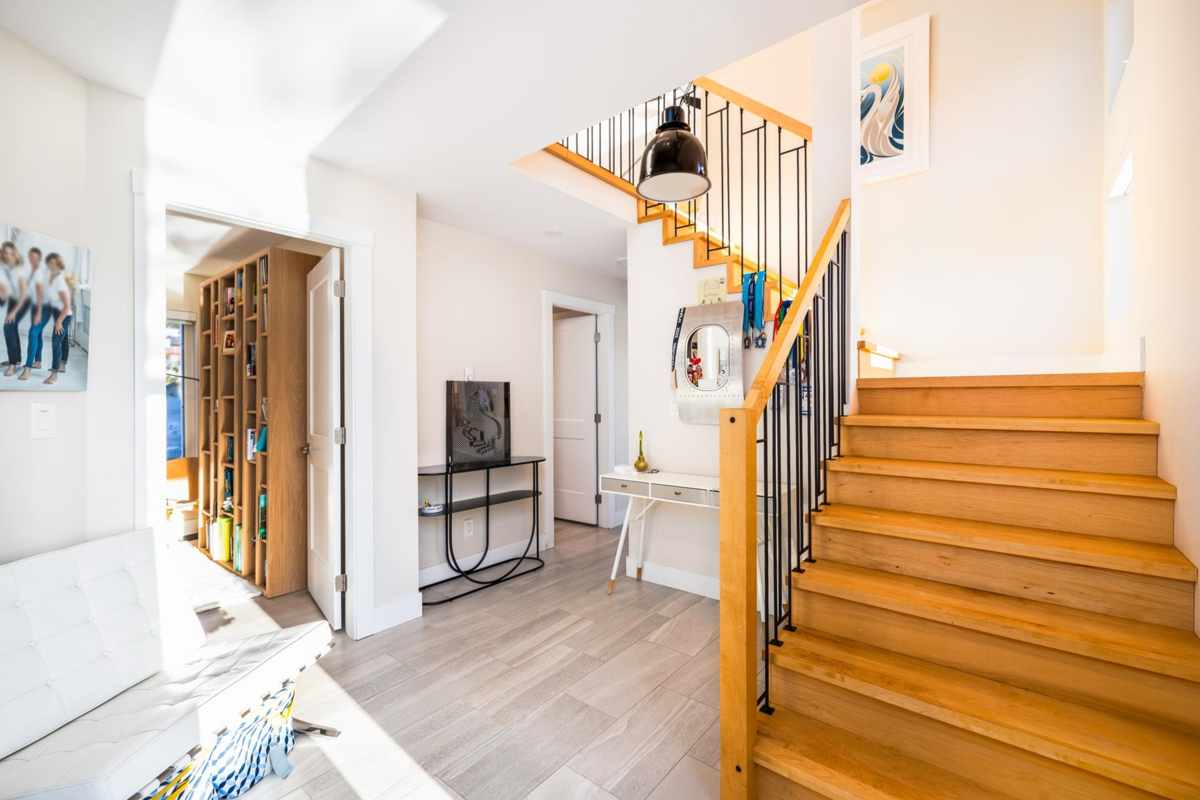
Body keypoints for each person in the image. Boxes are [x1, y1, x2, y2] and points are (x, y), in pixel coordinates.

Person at [18, 247, 47, 381]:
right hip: (35, 307)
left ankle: (28, 368)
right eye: (30, 257)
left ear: (39, 259)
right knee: (38, 334)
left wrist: (39, 313)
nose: (32, 260)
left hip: (44, 307)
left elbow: (41, 294)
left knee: (33, 333)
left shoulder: (39, 273)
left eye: (35, 257)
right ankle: (38, 361)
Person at [42, 252, 71, 386]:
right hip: (58, 314)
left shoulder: (60, 281)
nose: (52, 266)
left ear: (59, 264)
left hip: (64, 315)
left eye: (54, 264)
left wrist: (59, 321)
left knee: (55, 343)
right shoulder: (52, 278)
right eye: (50, 263)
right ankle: (62, 365)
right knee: (63, 340)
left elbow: (67, 305)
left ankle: (54, 374)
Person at [0, 241, 28, 374]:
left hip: (24, 300)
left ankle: (12, 364)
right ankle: (16, 359)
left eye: (10, 253)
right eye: (5, 253)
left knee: (8, 326)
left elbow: (23, 294)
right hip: (12, 299)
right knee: (13, 327)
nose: (8, 256)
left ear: (15, 255)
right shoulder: (4, 267)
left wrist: (13, 312)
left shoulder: (19, 269)